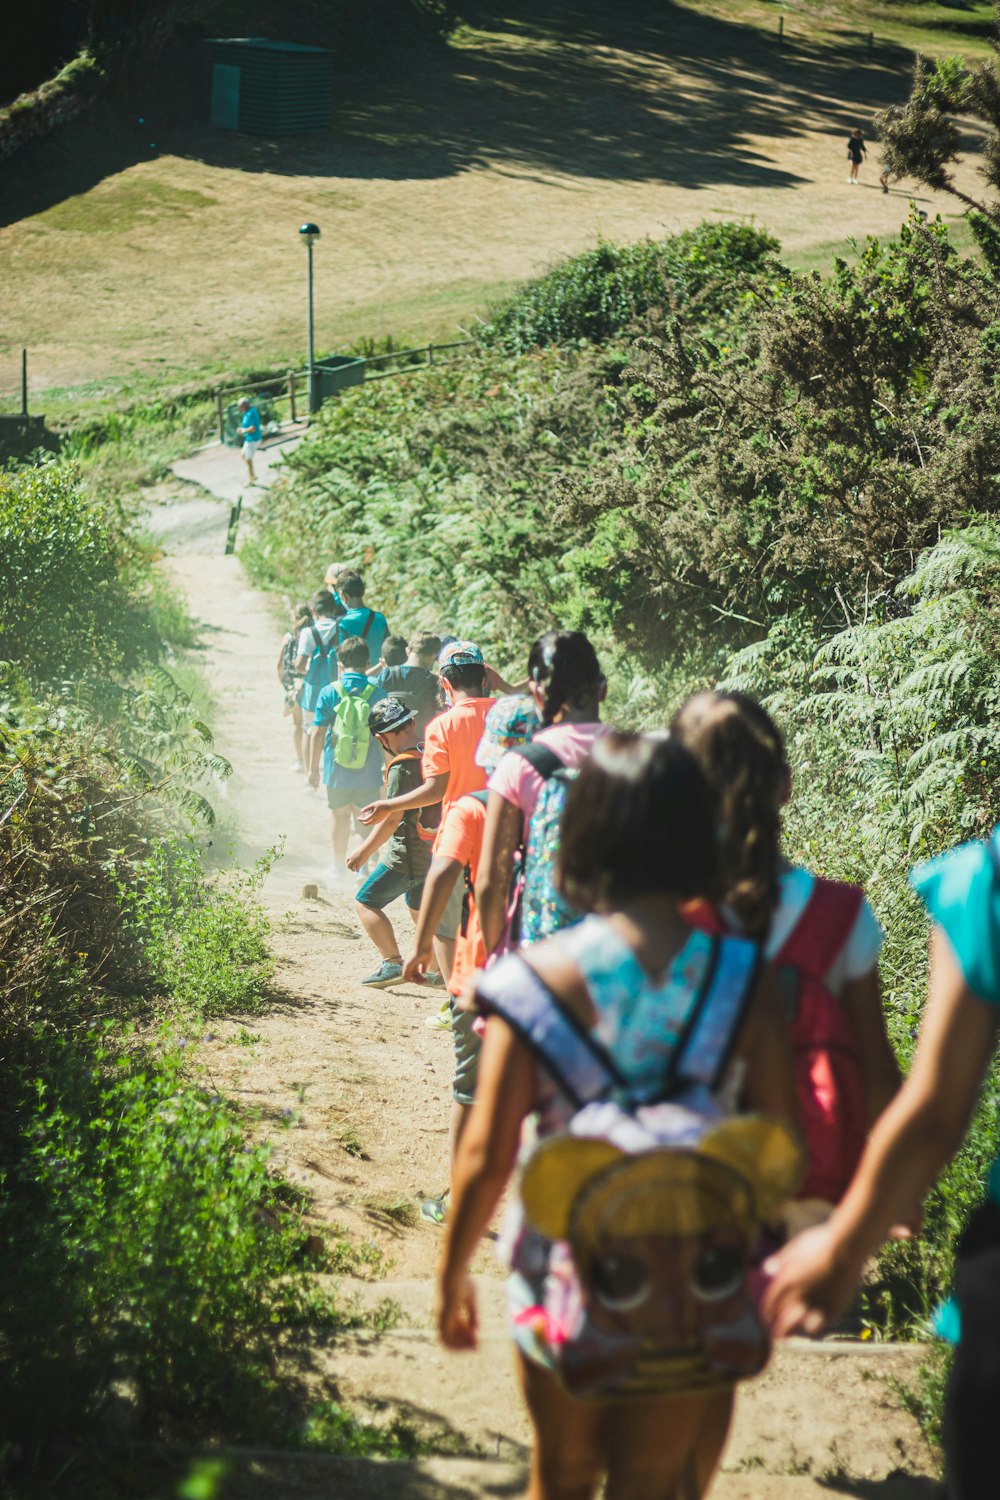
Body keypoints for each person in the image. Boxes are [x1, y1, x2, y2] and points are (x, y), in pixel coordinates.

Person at [436, 733, 799, 1500]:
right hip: (693, 1281)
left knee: (561, 1474)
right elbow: (776, 1144)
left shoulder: (532, 984)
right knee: (651, 1480)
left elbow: (485, 1157)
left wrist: (452, 1278)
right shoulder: (748, 979)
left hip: (566, 1269)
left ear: (584, 833)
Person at [764, 828, 1000, 1499]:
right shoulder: (836, 913)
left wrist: (842, 1253)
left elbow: (935, 1117)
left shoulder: (986, 881)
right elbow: (884, 1077)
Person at [672, 690, 900, 1228]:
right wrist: (896, 1188)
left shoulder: (660, 916)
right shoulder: (841, 915)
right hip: (805, 1192)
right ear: (786, 787)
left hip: (681, 1182)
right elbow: (876, 1073)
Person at [403, 695, 541, 1225]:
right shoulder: (563, 807)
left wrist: (418, 948)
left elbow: (442, 874)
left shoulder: (474, 806)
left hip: (482, 967)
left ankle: (462, 1201)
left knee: (471, 1087)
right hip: (547, 970)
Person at [360, 641, 496, 1010]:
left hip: (458, 839)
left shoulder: (442, 726)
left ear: (444, 683)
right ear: (485, 676)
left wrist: (388, 803)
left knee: (448, 930)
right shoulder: (510, 716)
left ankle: (456, 1005)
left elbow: (434, 790)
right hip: (505, 835)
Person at [476, 630, 608, 957]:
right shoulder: (642, 756)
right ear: (602, 689)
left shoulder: (519, 765)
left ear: (536, 693)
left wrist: (496, 956)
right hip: (620, 954)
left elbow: (491, 881)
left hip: (543, 955)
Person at [347, 698, 434, 989]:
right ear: (412, 723)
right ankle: (436, 967)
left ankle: (391, 962)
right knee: (419, 905)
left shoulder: (402, 768)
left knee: (366, 902)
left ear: (381, 739)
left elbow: (392, 817)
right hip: (433, 850)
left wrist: (363, 851)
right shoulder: (430, 754)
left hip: (406, 854)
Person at [308, 635, 386, 878]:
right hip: (369, 768)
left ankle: (338, 866)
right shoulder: (378, 692)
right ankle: (360, 868)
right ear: (367, 662)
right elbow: (385, 735)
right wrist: (388, 766)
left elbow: (317, 732)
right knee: (364, 818)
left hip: (336, 768)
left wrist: (313, 768)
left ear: (340, 663)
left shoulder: (330, 691)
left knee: (339, 816)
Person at [295, 590, 344, 735]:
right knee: (334, 730)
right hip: (336, 688)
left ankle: (308, 759)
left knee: (309, 730)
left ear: (313, 610)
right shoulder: (341, 628)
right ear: (334, 608)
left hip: (313, 688)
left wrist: (308, 671)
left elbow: (299, 665)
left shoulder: (308, 632)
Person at [376, 632, 442, 736]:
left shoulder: (386, 674)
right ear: (434, 655)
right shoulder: (434, 682)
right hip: (420, 744)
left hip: (390, 743)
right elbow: (440, 718)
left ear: (408, 651)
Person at [277, 600, 312, 773]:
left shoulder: (288, 636)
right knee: (311, 725)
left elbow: (279, 663)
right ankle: (311, 761)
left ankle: (299, 760)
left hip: (293, 686)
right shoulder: (311, 636)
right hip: (309, 684)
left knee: (298, 725)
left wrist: (285, 685)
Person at [335, 571, 390, 668]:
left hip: (355, 679)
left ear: (343, 595)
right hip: (378, 677)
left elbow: (340, 657)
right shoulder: (380, 618)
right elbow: (388, 650)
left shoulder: (343, 622)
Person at [237, 397, 262, 484]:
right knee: (243, 455)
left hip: (253, 439)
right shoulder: (247, 413)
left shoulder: (251, 413)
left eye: (240, 406)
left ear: (245, 405)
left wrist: (243, 430)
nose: (239, 408)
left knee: (248, 459)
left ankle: (251, 479)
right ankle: (252, 474)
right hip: (248, 439)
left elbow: (253, 428)